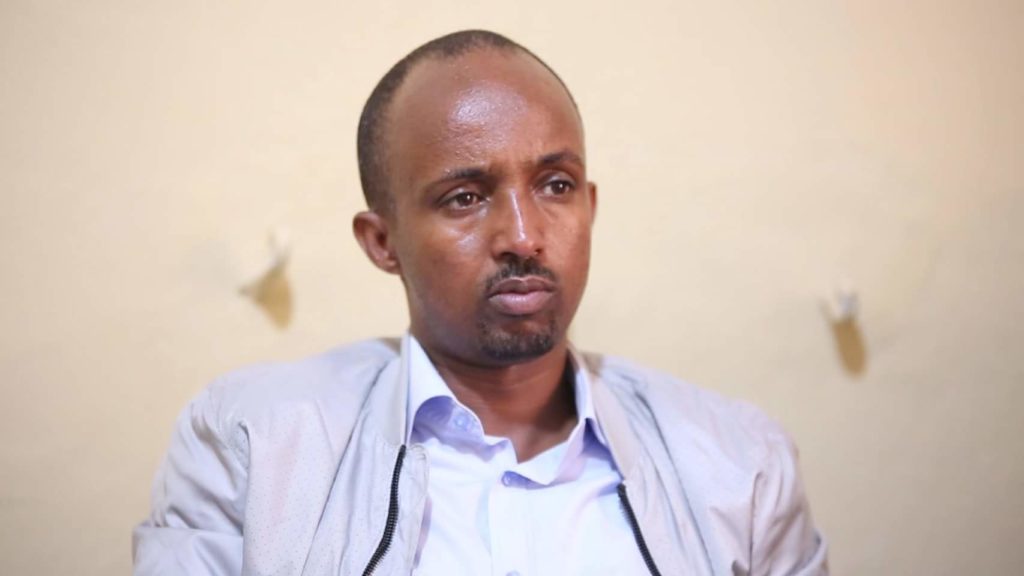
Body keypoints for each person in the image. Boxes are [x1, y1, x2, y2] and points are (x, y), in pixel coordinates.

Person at [133, 29, 828, 575]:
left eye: (556, 186)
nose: (523, 236)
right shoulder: (253, 446)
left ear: (590, 207)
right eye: (465, 197)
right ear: (383, 242)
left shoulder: (740, 465)